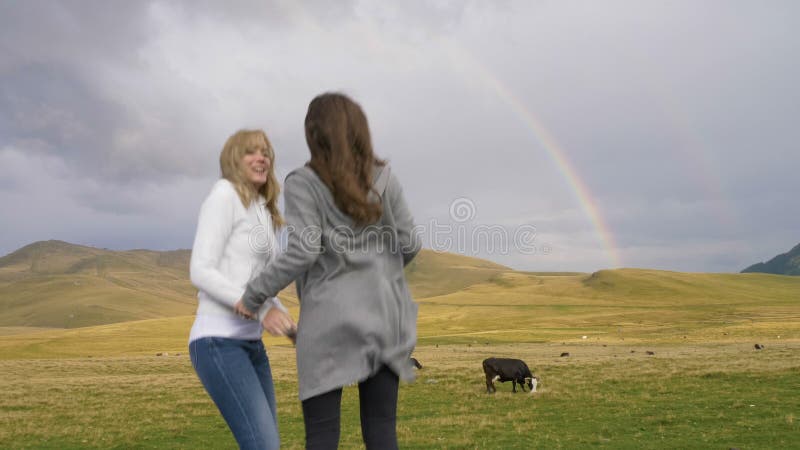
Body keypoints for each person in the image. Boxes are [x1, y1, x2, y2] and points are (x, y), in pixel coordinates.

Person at [234, 93, 421, 449]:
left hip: (328, 320)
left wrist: (253, 294)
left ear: (314, 135)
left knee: (322, 435)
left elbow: (304, 249)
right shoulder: (385, 179)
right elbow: (410, 243)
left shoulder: (303, 182)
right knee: (382, 430)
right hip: (386, 316)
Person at [189, 129, 296, 450]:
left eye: (265, 152)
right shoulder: (224, 196)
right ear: (234, 159)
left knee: (267, 444)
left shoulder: (262, 210)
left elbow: (260, 280)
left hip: (252, 345)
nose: (261, 157)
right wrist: (262, 309)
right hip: (218, 342)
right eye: (251, 152)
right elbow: (200, 270)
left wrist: (284, 317)